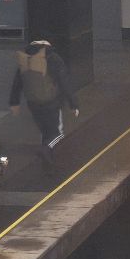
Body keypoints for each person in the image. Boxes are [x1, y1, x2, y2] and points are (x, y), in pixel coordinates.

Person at [9, 40, 79, 173]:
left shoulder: (27, 59)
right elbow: (64, 82)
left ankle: (48, 163)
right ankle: (45, 150)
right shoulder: (53, 58)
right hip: (51, 102)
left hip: (33, 104)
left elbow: (17, 82)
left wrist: (14, 102)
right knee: (58, 134)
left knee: (45, 132)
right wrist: (73, 104)